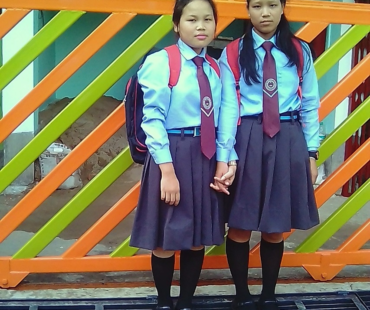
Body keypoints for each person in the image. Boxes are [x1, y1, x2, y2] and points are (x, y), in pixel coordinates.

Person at [130, 0, 236, 309]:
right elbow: (152, 119)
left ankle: (186, 301)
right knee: (166, 238)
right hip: (171, 152)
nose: (201, 26)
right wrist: (168, 172)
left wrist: (223, 161)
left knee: (196, 237)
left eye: (207, 19)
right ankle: (164, 302)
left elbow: (226, 116)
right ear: (177, 25)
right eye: (192, 19)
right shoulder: (162, 62)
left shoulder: (217, 67)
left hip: (205, 156)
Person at [218, 0, 321, 309]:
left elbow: (310, 103)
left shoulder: (300, 51)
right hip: (247, 136)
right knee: (240, 223)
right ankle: (242, 294)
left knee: (276, 226)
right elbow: (227, 106)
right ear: (248, 10)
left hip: (288, 138)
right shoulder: (234, 52)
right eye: (257, 6)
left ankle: (269, 295)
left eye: (272, 5)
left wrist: (312, 153)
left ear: (283, 7)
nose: (265, 13)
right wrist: (227, 154)